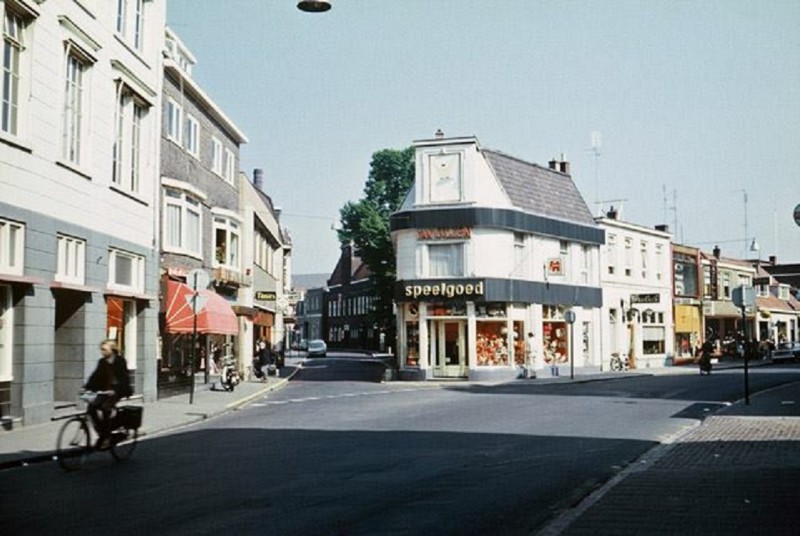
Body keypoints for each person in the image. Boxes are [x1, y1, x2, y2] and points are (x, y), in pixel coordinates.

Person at [84, 340, 132, 449]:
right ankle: (103, 433)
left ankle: (106, 437)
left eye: (105, 349)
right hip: (105, 390)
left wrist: (116, 390)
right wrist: (86, 387)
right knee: (91, 408)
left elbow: (124, 378)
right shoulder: (102, 362)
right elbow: (95, 376)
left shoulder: (120, 361)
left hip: (119, 390)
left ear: (112, 349)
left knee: (106, 408)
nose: (102, 352)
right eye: (101, 349)